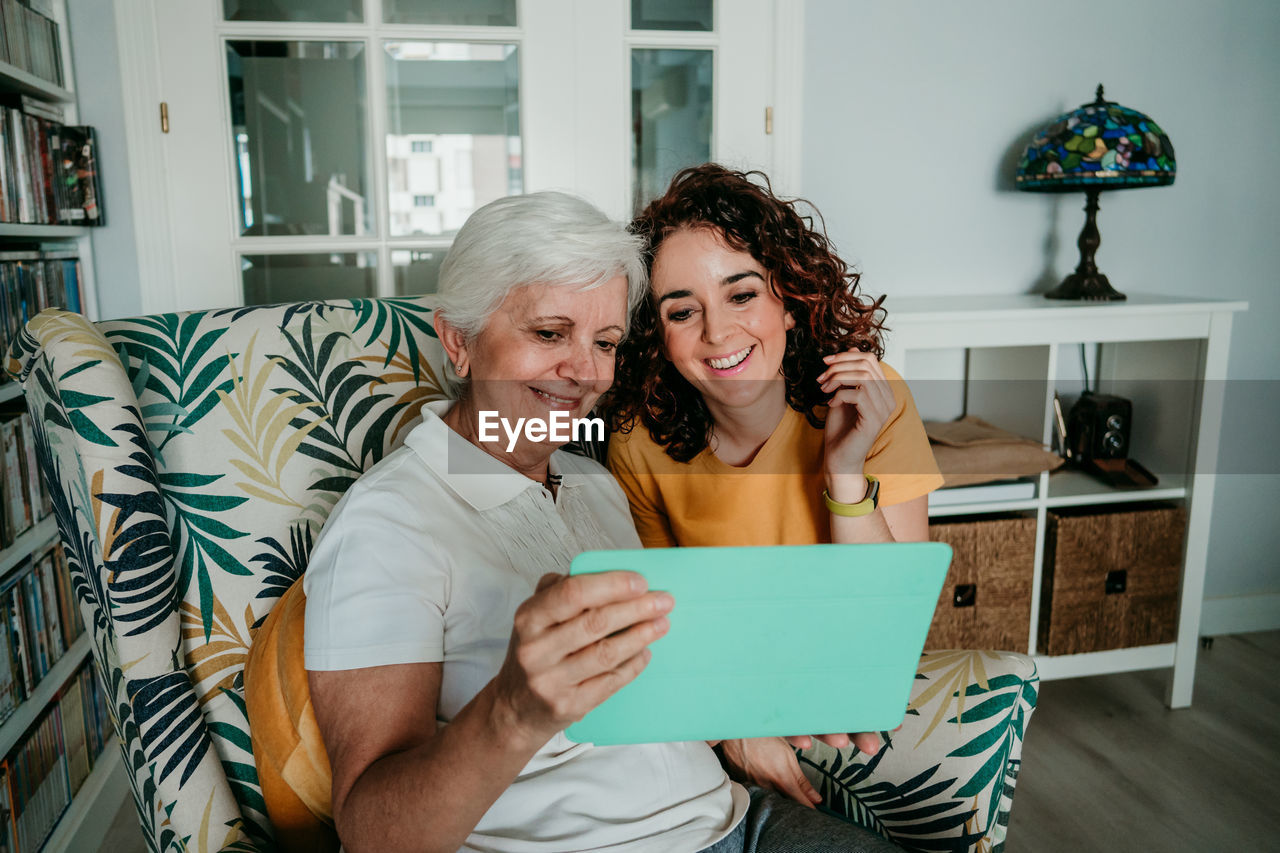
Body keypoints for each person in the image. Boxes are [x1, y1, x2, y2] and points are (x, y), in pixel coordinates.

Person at [244, 190, 903, 853]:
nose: (585, 372)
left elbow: (661, 685)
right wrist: (511, 711)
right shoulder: (388, 522)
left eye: (605, 341)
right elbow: (371, 831)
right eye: (549, 333)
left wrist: (762, 708)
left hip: (737, 819)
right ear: (457, 340)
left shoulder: (593, 484)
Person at [605, 163, 946, 809]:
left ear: (789, 300)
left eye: (742, 295)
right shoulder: (637, 442)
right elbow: (663, 628)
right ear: (659, 337)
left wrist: (843, 471)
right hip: (712, 705)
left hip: (844, 694)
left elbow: (890, 623)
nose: (718, 332)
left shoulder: (873, 400)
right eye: (683, 311)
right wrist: (734, 724)